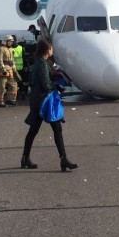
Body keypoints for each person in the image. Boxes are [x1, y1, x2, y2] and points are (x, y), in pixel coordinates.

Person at [21, 39, 78, 172]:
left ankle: (27, 158)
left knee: (38, 130)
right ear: (47, 50)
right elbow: (46, 84)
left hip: (39, 100)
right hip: (43, 101)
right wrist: (57, 84)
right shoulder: (42, 63)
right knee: (51, 129)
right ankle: (62, 159)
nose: (52, 50)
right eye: (51, 48)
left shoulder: (41, 62)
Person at [0, 35, 19, 107]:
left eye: (12, 41)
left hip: (10, 69)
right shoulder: (1, 49)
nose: (11, 43)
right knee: (1, 86)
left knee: (13, 84)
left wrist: (14, 69)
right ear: (5, 41)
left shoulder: (10, 49)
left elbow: (12, 60)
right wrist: (3, 69)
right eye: (10, 41)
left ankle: (11, 99)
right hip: (3, 70)